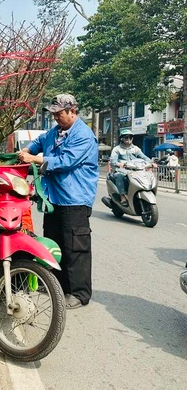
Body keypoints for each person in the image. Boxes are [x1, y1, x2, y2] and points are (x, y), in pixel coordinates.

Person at [18, 94, 98, 309]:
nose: (55, 117)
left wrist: (34, 159)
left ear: (72, 111)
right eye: (53, 114)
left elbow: (65, 162)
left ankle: (80, 293)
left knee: (75, 247)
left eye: (59, 113)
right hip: (53, 199)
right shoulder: (54, 133)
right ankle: (59, 285)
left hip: (74, 200)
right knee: (55, 243)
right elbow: (38, 142)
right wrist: (27, 151)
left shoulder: (83, 135)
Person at [109, 128, 153, 205]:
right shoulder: (116, 149)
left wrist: (151, 162)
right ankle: (122, 196)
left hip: (135, 170)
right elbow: (113, 161)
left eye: (130, 137)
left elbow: (144, 157)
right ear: (121, 138)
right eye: (126, 137)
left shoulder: (135, 148)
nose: (128, 139)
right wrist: (119, 164)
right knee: (119, 176)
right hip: (122, 170)